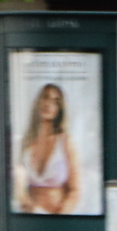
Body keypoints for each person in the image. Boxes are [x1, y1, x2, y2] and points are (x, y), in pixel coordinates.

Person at [16, 82, 78, 214]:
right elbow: (18, 184)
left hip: (57, 218)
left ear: (59, 109)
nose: (48, 104)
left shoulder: (65, 142)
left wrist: (61, 216)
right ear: (38, 101)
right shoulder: (26, 142)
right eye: (45, 97)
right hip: (29, 219)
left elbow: (75, 191)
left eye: (55, 101)